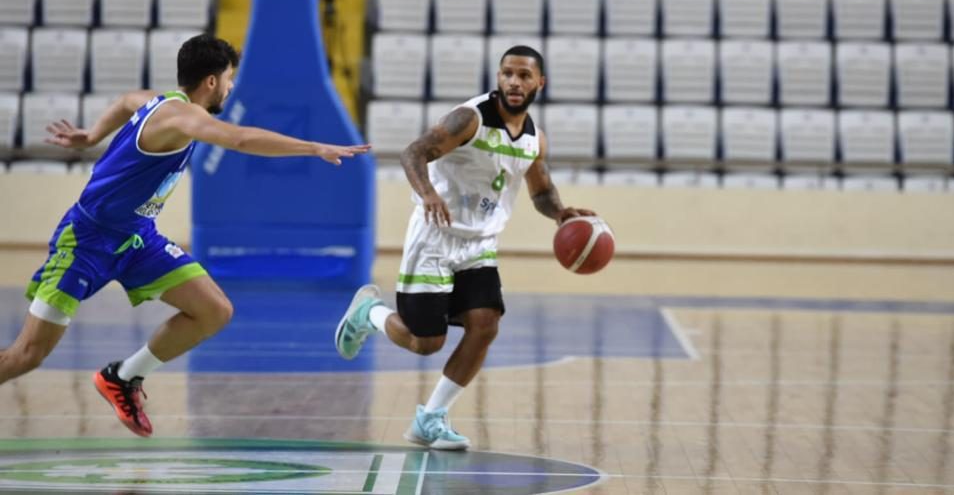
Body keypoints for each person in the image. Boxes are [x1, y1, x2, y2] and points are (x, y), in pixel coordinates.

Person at [0, 34, 371, 437]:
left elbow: (126, 101)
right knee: (28, 354)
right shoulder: (182, 117)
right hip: (88, 241)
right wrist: (313, 147)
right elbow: (240, 139)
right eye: (228, 78)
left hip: (137, 239)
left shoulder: (158, 102)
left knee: (214, 310)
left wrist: (91, 136)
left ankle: (122, 377)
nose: (230, 86)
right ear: (211, 81)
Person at [334, 45, 595, 451]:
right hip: (435, 238)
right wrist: (427, 194)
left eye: (524, 75)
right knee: (426, 342)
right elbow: (413, 152)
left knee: (486, 325)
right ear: (499, 77)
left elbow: (541, 190)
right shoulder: (469, 119)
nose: (514, 81)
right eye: (508, 73)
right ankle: (370, 312)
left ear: (539, 83)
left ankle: (430, 418)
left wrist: (561, 213)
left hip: (480, 245)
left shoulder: (534, 140)